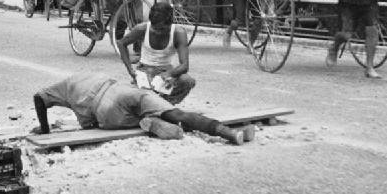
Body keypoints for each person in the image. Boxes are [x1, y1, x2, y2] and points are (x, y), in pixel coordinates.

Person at [33, 72, 254, 144]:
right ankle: (230, 133)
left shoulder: (63, 86)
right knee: (178, 114)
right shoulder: (89, 75)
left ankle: (149, 124)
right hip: (123, 90)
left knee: (113, 120)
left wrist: (44, 130)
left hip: (105, 110)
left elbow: (39, 97)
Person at [116, 3, 195, 104]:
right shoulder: (142, 28)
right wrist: (130, 70)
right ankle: (156, 104)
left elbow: (184, 66)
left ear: (170, 23)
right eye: (154, 28)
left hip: (166, 69)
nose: (157, 32)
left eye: (162, 29)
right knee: (140, 98)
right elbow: (121, 43)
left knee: (187, 81)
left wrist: (168, 74)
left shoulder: (178, 32)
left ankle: (166, 105)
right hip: (145, 70)